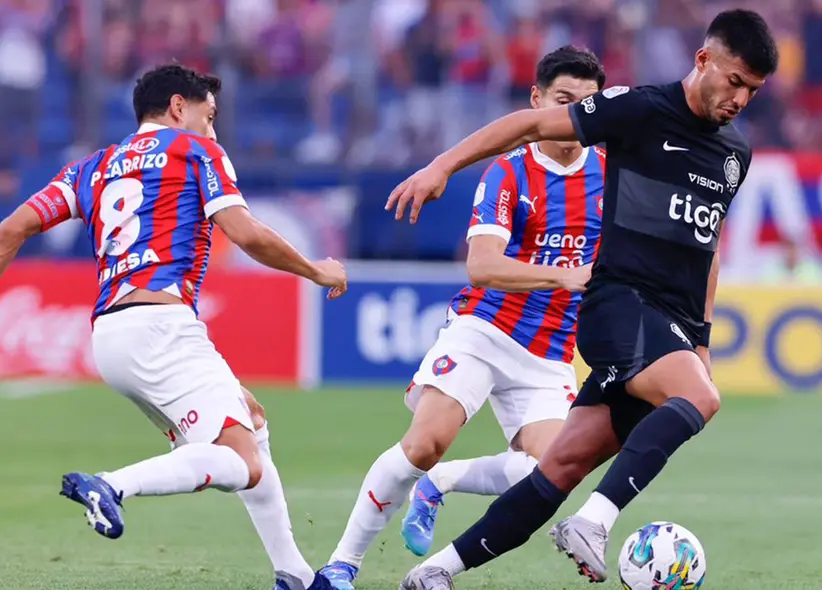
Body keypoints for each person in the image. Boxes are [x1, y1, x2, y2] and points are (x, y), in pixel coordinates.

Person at [388, 9, 779, 590]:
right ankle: (595, 521)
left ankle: (435, 572)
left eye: (753, 90)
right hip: (618, 305)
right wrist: (441, 165)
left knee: (559, 467)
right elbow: (530, 124)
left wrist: (700, 338)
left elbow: (709, 248)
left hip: (668, 323)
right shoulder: (640, 109)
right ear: (703, 61)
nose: (740, 99)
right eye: (735, 81)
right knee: (702, 398)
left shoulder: (732, 155)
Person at [0, 64, 347, 590]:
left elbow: (13, 228)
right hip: (160, 325)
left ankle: (294, 575)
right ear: (180, 107)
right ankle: (111, 486)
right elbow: (245, 234)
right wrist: (315, 269)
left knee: (250, 420)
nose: (214, 130)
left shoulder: (91, 167)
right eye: (209, 116)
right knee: (242, 462)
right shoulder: (196, 151)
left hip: (110, 336)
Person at [318, 46, 606, 590]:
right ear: (537, 100)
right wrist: (563, 276)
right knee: (425, 442)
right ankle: (341, 566)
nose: (572, 120)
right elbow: (482, 265)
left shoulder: (611, 178)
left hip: (549, 352)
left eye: (585, 108)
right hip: (486, 329)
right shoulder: (509, 173)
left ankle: (441, 484)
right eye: (564, 102)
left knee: (555, 470)